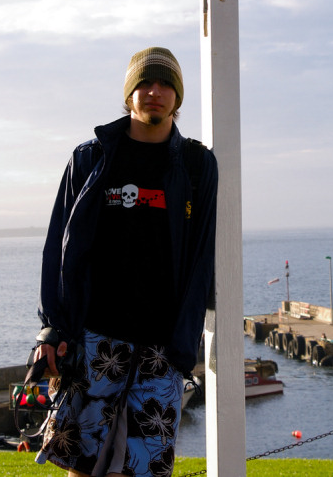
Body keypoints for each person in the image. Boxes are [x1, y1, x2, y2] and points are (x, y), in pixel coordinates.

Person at [32, 47, 218, 477]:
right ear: (129, 93)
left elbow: (201, 257)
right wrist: (51, 327)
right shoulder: (91, 158)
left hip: (162, 349)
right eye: (145, 83)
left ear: (178, 95)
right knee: (80, 463)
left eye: (166, 83)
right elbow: (56, 249)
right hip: (94, 340)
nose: (155, 91)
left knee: (143, 470)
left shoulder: (195, 165)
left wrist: (183, 346)